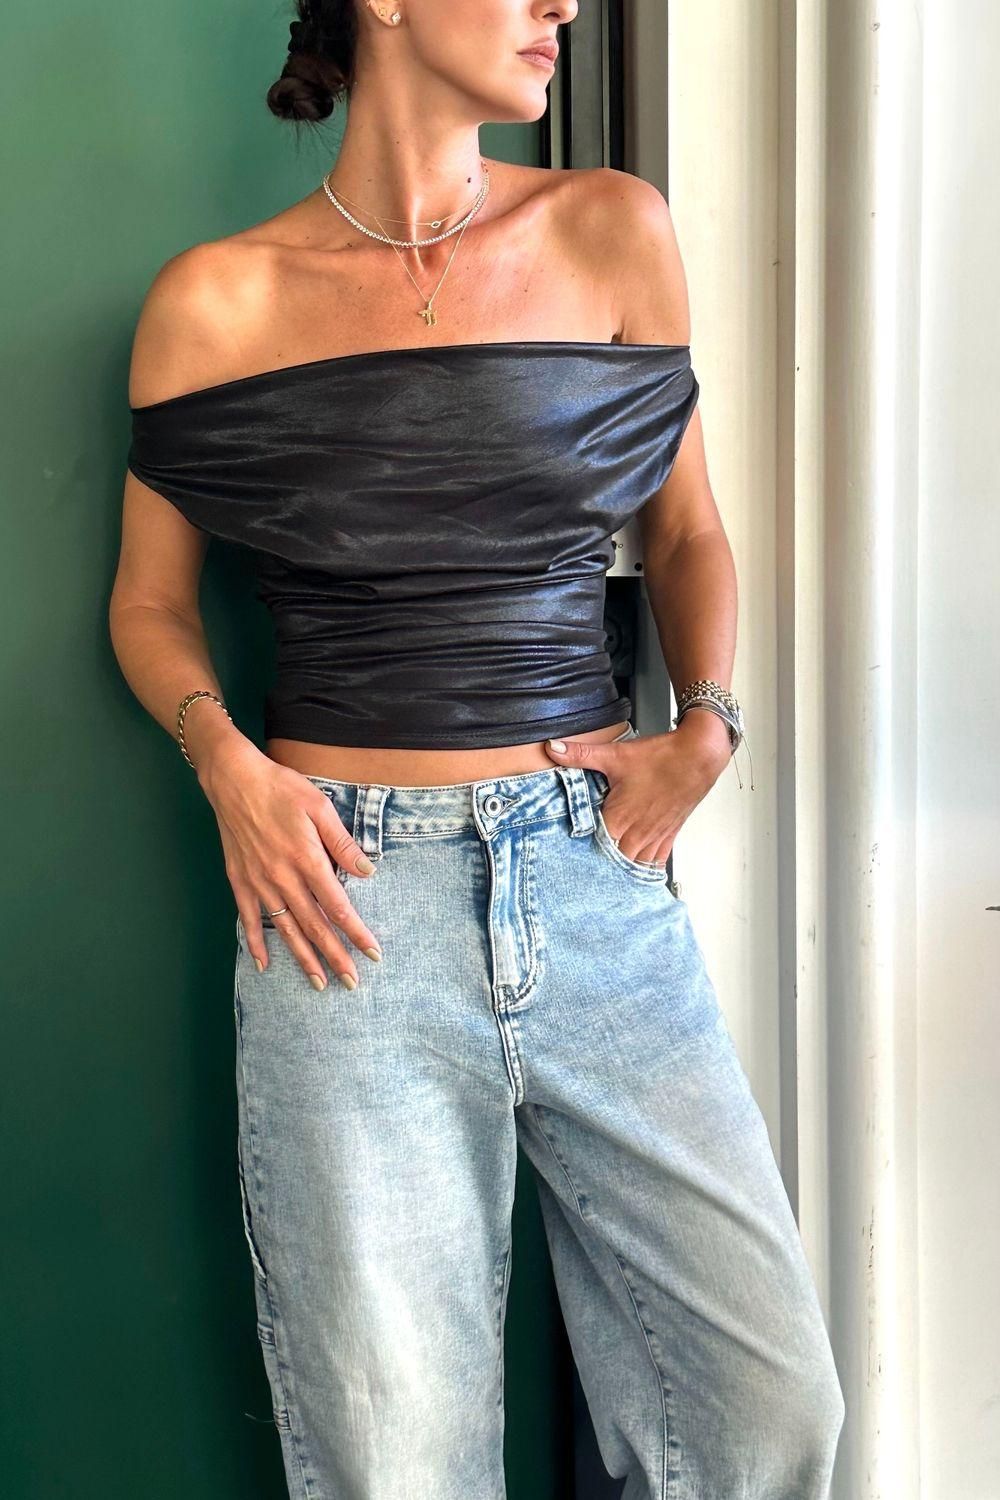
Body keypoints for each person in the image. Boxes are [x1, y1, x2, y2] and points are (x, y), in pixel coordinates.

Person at [108, 1, 845, 1496]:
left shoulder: (612, 229)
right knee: (398, 1460)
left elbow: (686, 530)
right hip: (344, 908)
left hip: (595, 873)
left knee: (769, 1414)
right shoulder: (217, 299)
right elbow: (148, 604)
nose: (560, 4)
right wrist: (228, 767)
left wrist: (709, 723)